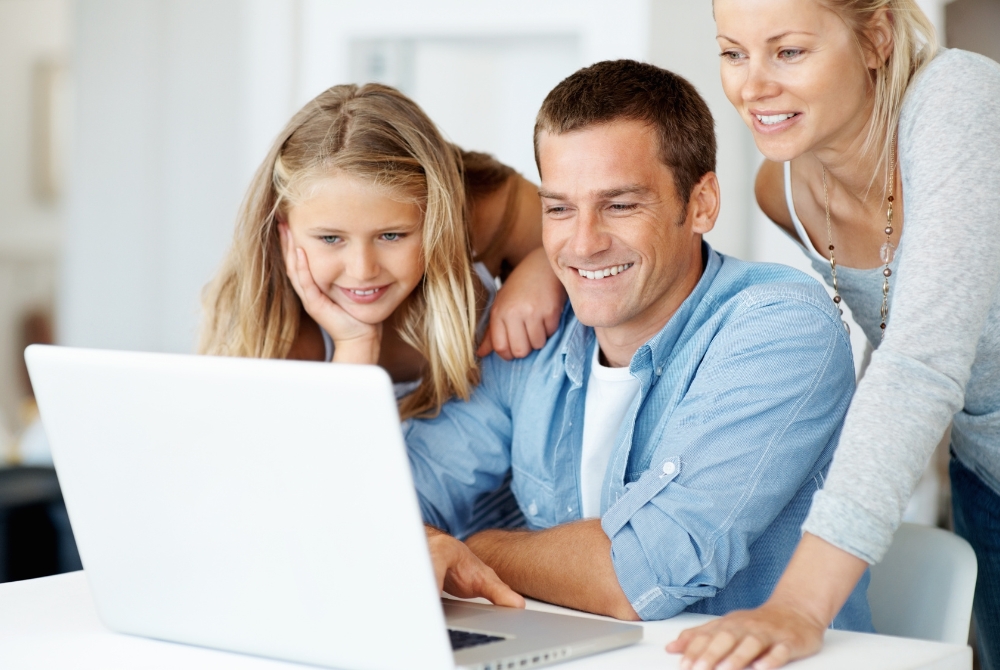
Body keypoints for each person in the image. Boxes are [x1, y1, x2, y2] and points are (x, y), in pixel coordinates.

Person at [408, 59, 872, 627]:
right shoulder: (533, 336)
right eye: (559, 208)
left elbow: (641, 574)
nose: (583, 243)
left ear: (700, 204)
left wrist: (469, 549)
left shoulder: (778, 326)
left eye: (620, 205)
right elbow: (392, 497)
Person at [670, 1, 1000, 668]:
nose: (752, 85)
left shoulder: (959, 100)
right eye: (734, 53)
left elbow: (920, 360)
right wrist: (534, 265)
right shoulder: (781, 189)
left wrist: (799, 604)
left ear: (874, 38)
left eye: (788, 51)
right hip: (985, 478)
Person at [199, 83, 565, 423]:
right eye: (330, 239)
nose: (362, 271)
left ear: (440, 214)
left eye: (391, 235)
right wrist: (354, 346)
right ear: (284, 225)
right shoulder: (272, 328)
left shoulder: (490, 210)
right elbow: (311, 475)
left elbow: (585, 240)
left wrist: (545, 265)